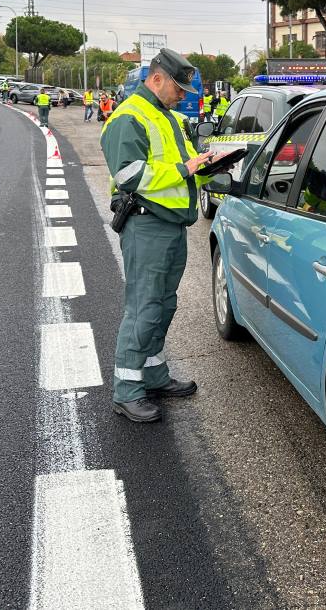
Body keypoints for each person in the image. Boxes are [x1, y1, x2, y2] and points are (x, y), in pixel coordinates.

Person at [100, 48, 222, 423]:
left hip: (170, 226)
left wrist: (209, 166)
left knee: (163, 305)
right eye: (179, 89)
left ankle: (153, 375)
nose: (183, 96)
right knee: (144, 307)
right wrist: (186, 169)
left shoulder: (168, 117)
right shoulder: (129, 117)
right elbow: (129, 175)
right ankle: (127, 391)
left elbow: (185, 166)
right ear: (156, 79)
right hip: (146, 225)